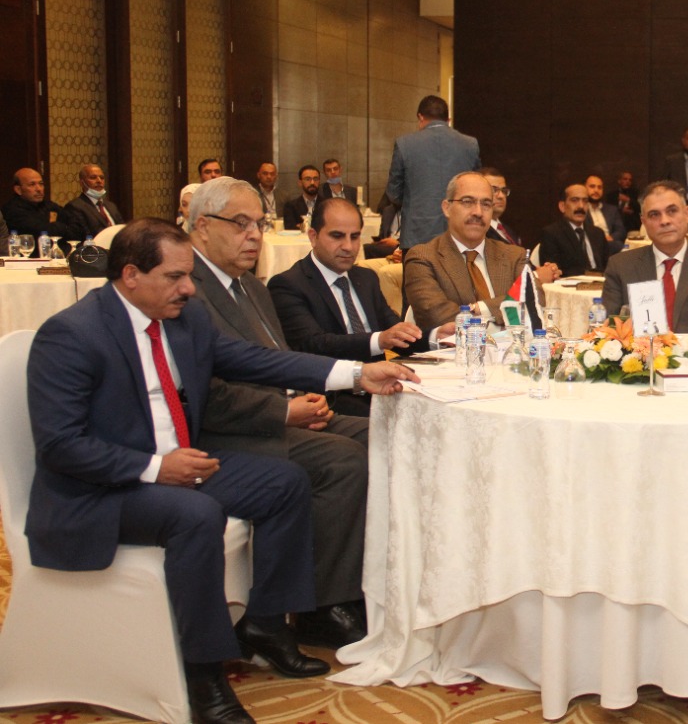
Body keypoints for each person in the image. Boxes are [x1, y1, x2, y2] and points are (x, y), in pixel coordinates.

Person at [27, 218, 416, 724]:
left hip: (178, 462)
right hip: (102, 487)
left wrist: (357, 374)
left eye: (188, 276)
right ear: (130, 275)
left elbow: (258, 361)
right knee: (195, 515)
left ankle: (266, 624)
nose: (189, 288)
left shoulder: (183, 319)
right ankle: (204, 677)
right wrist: (154, 467)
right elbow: (61, 446)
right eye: (174, 277)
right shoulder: (71, 334)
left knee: (284, 482)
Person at [186, 178, 374, 650]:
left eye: (259, 224)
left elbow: (277, 359)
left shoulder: (250, 285)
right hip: (229, 431)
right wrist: (283, 410)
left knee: (385, 433)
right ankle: (321, 607)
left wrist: (307, 396)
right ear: (202, 227)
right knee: (344, 460)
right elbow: (204, 392)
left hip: (286, 410)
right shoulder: (187, 289)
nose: (254, 235)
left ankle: (366, 579)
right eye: (241, 224)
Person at [268, 198, 427, 416]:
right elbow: (315, 344)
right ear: (313, 236)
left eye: (355, 237)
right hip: (333, 398)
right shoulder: (289, 285)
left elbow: (396, 332)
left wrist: (438, 336)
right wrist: (379, 340)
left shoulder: (366, 278)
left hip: (381, 388)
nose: (348, 247)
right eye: (337, 236)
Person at [404, 171, 545, 335]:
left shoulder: (514, 256)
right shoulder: (423, 258)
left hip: (513, 349)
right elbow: (436, 317)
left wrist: (479, 308)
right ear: (447, 208)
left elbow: (535, 302)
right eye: (467, 202)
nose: (478, 212)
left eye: (486, 204)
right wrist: (501, 319)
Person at [602, 180, 688, 336]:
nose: (664, 221)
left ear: (687, 214)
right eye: (654, 214)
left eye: (672, 211)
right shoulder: (621, 266)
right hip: (639, 351)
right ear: (644, 222)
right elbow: (607, 332)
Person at [386, 94, 481, 249]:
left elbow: (393, 193)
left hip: (417, 235)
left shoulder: (404, 144)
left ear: (420, 117)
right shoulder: (470, 144)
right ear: (448, 119)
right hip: (460, 234)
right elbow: (477, 188)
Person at [538, 183, 609, 278]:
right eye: (574, 200)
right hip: (571, 285)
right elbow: (552, 272)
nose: (581, 206)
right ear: (562, 206)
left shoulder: (598, 233)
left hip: (602, 283)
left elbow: (608, 267)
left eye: (585, 201)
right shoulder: (551, 233)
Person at [3, 168, 72, 240]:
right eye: (32, 184)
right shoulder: (12, 210)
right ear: (18, 190)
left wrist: (55, 226)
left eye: (41, 184)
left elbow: (71, 224)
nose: (39, 189)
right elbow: (41, 231)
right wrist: (60, 226)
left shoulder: (47, 204)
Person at [61, 163, 125, 240]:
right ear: (82, 183)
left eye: (102, 178)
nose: (99, 181)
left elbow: (123, 230)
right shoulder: (74, 207)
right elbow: (84, 236)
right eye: (93, 177)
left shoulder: (111, 206)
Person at [585, 173, 627, 255]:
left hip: (610, 243)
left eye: (599, 187)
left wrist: (611, 237)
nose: (596, 190)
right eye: (592, 186)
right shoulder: (581, 211)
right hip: (591, 246)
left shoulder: (612, 210)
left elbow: (621, 231)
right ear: (584, 188)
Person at [480, 166, 521, 246]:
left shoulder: (510, 231)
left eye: (504, 190)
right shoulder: (477, 231)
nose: (501, 196)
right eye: (494, 190)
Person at [281, 165, 323, 230]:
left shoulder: (327, 205)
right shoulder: (290, 206)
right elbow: (290, 228)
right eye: (308, 179)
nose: (312, 183)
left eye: (315, 179)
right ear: (300, 183)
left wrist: (302, 226)